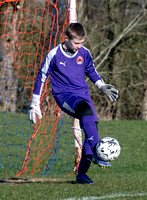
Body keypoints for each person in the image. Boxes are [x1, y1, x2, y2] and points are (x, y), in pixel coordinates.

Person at [29, 23, 118, 184]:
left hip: (83, 95)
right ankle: (99, 153)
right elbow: (41, 77)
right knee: (85, 115)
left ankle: (82, 174)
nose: (79, 46)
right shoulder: (54, 54)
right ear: (66, 38)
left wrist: (102, 86)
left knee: (91, 130)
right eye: (76, 43)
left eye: (82, 43)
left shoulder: (84, 53)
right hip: (64, 96)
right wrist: (35, 103)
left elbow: (91, 71)